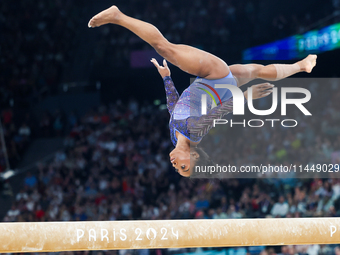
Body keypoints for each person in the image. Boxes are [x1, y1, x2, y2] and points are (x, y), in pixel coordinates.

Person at [88, 6, 317, 177]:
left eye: (177, 168)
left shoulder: (174, 136)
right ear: (194, 156)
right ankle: (118, 16)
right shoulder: (195, 133)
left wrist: (167, 80)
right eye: (184, 166)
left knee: (259, 70)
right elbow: (219, 112)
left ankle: (302, 65)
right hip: (213, 77)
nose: (176, 165)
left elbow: (174, 109)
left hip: (219, 85)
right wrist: (246, 96)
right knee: (165, 48)